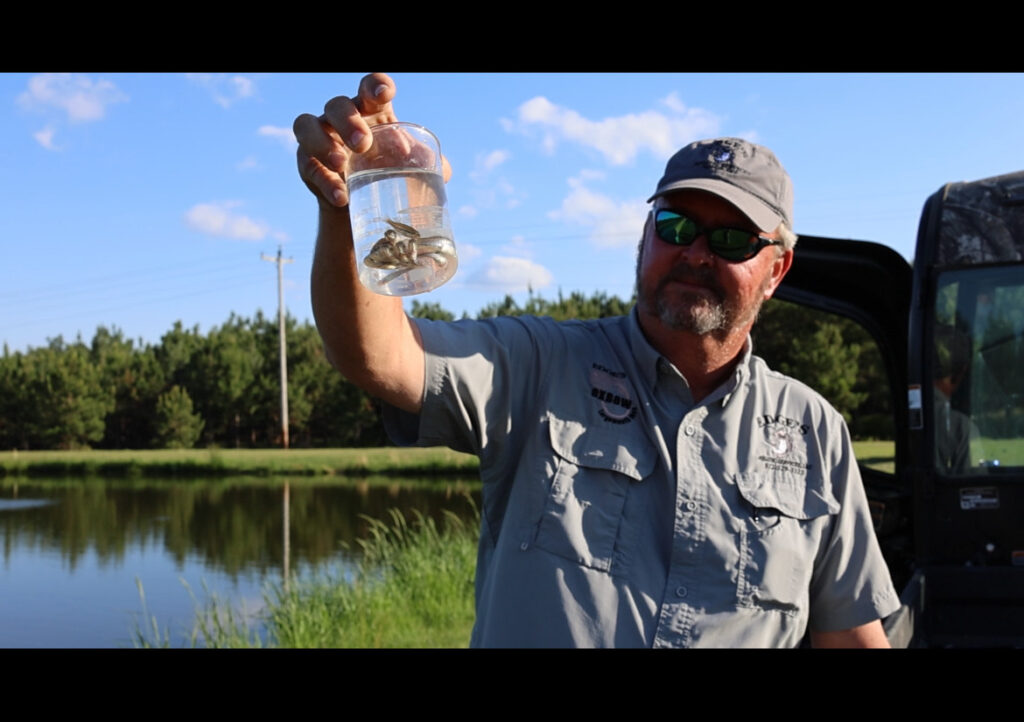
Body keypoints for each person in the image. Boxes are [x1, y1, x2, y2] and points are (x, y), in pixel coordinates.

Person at [294, 73, 901, 648]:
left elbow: (852, 633)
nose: (695, 253)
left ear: (776, 272)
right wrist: (354, 204)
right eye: (675, 223)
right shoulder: (540, 364)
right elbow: (378, 356)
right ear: (645, 236)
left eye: (731, 240)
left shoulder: (813, 431)